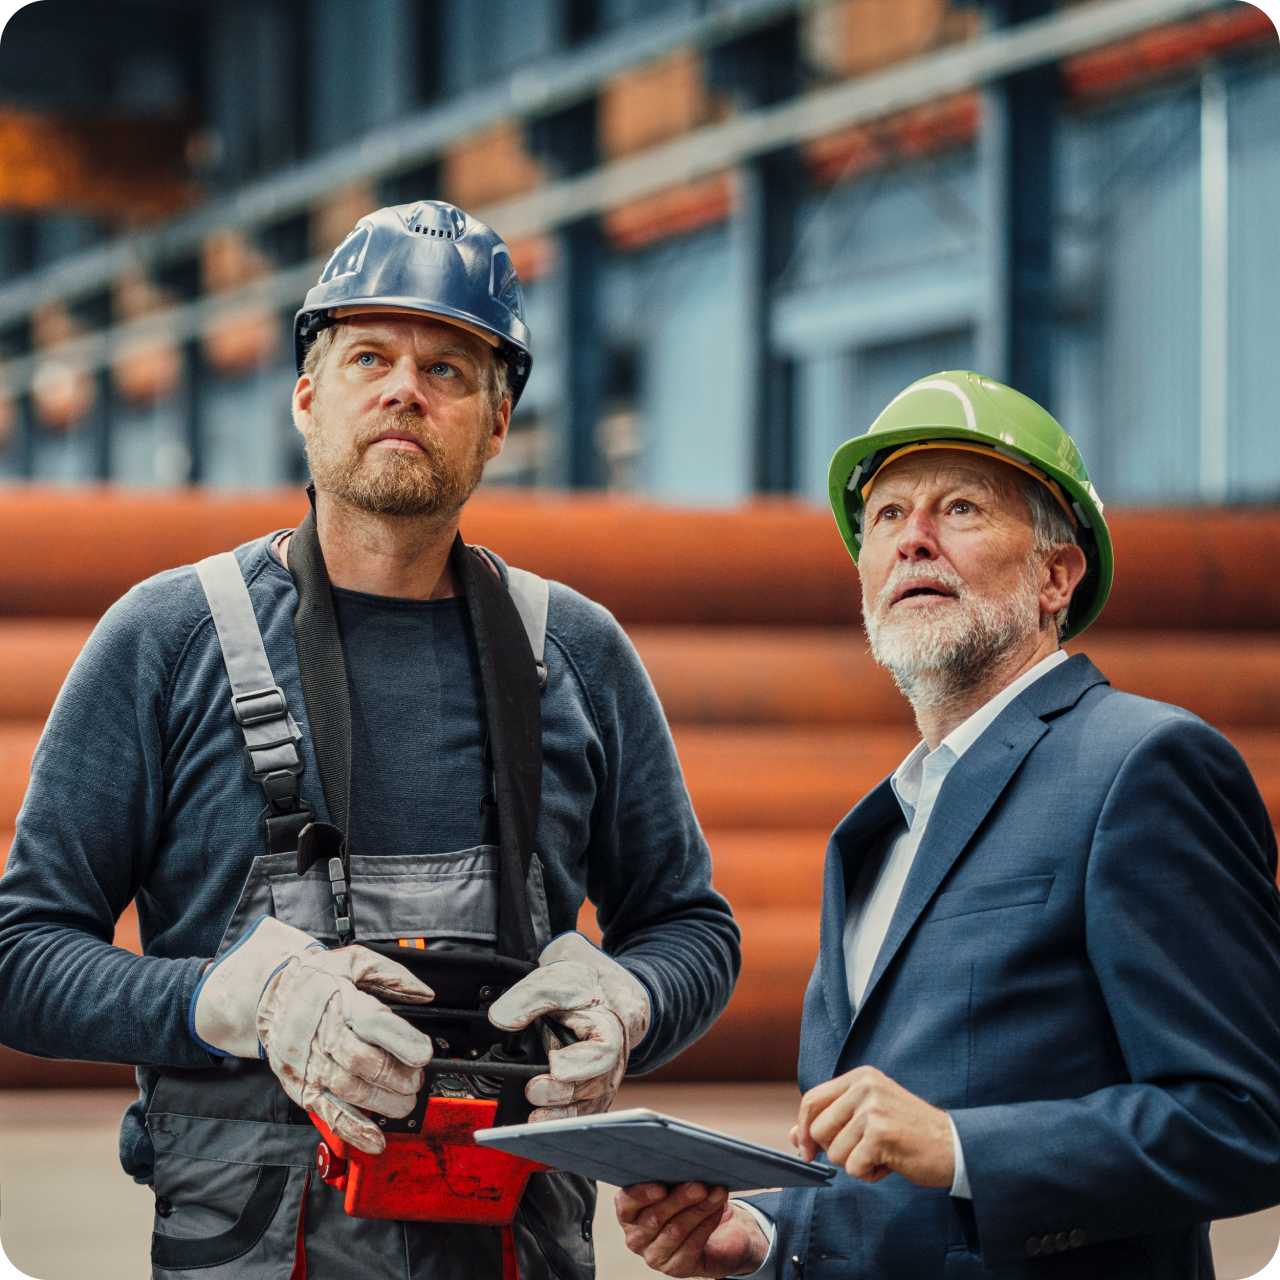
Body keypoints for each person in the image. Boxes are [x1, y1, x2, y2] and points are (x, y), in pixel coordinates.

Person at [0, 199, 740, 1279]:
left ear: (496, 422)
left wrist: (635, 1000)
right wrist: (221, 1000)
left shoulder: (572, 652)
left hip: (511, 1245)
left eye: (449, 368)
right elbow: (19, 953)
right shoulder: (168, 639)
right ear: (307, 394)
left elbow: (689, 926)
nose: (405, 386)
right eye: (369, 356)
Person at [615, 370, 1280, 1279]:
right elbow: (881, 1177)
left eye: (959, 508)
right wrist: (764, 1235)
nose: (912, 541)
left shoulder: (1142, 765)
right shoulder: (875, 832)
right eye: (886, 516)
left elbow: (1243, 1117)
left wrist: (963, 1146)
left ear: (1056, 574)